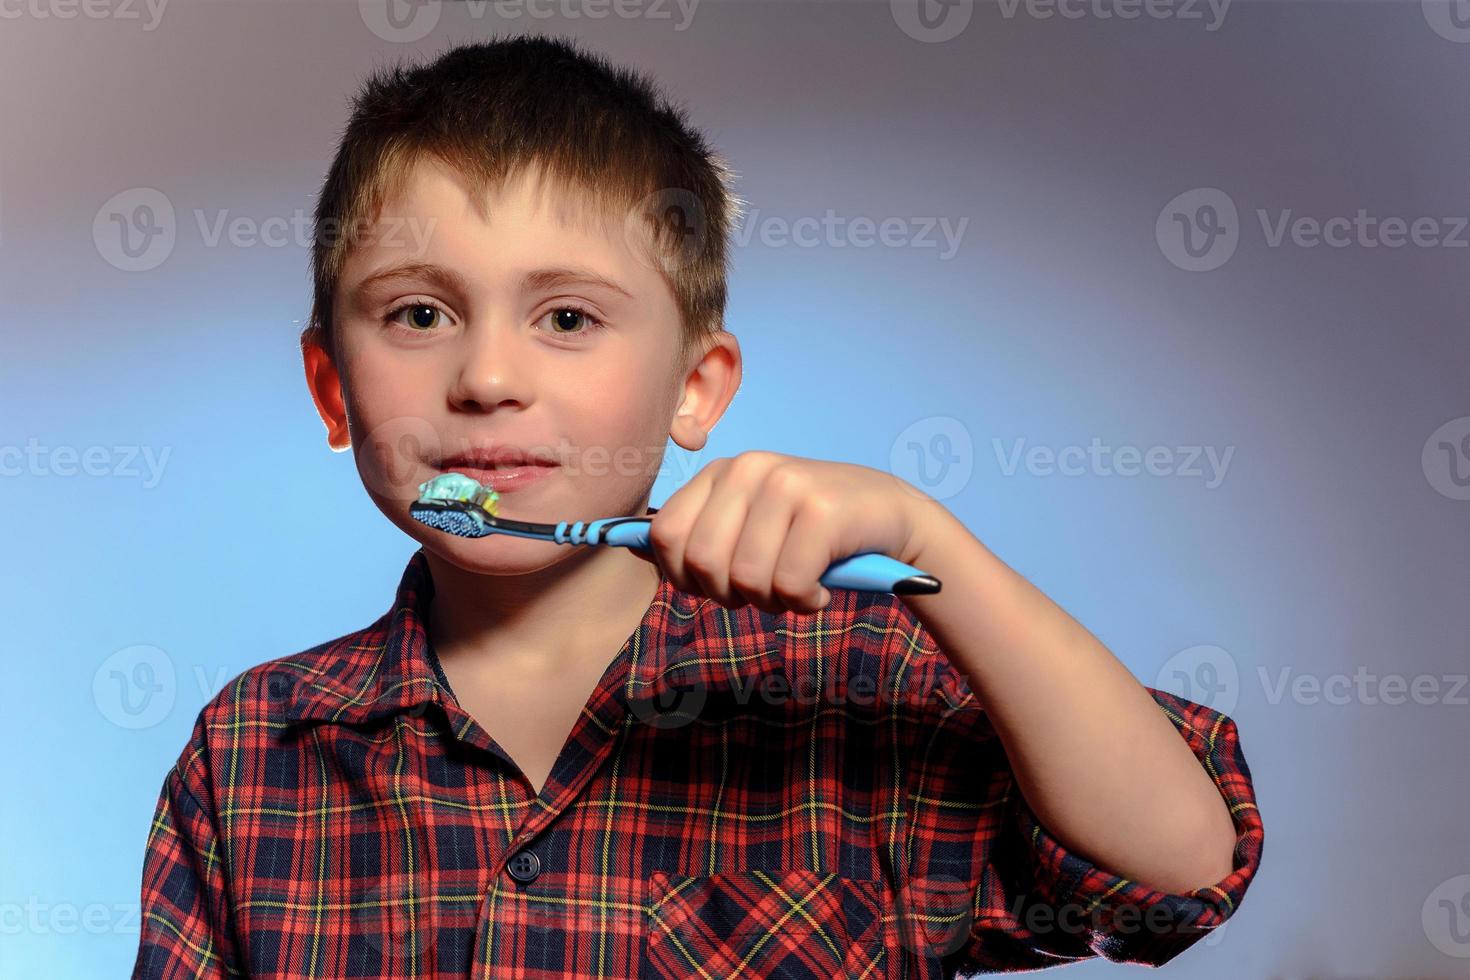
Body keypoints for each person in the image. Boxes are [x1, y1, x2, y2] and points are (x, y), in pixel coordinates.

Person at [132, 34, 1263, 979]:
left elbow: (1176, 872)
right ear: (332, 387)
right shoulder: (250, 752)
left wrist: (930, 543)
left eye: (568, 318)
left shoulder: (855, 675)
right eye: (419, 314)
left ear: (695, 388)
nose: (485, 377)